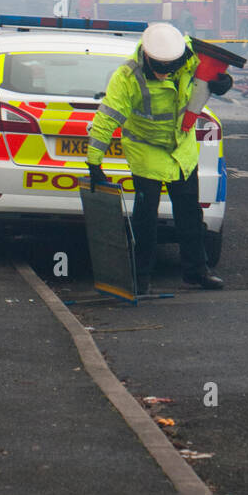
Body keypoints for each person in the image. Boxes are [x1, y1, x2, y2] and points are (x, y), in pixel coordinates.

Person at [85, 22, 232, 294]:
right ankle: (140, 278)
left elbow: (212, 76)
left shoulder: (191, 57)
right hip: (146, 150)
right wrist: (94, 160)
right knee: (145, 218)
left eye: (169, 68)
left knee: (189, 214)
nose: (164, 74)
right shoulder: (128, 77)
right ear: (148, 57)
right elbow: (106, 118)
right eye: (159, 68)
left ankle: (196, 272)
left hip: (181, 149)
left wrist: (224, 84)